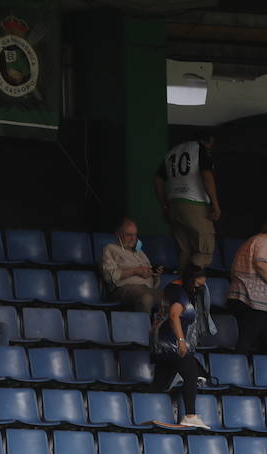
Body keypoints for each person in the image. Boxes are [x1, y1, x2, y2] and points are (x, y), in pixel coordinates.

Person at [154, 130, 221, 278]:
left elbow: (158, 181)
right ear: (208, 140)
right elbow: (207, 176)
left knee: (185, 252)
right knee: (204, 251)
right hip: (195, 204)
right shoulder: (200, 149)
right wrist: (215, 204)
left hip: (174, 205)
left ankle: (181, 294)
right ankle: (189, 285)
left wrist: (164, 205)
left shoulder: (171, 153)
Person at [150, 267, 210, 428]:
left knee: (160, 383)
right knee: (191, 375)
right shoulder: (179, 292)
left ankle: (149, 411)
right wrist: (181, 340)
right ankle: (190, 415)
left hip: (162, 342)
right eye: (197, 285)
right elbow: (174, 315)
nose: (198, 289)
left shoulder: (174, 288)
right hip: (172, 343)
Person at [100, 219, 162, 313]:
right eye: (129, 235)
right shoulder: (110, 248)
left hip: (147, 288)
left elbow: (154, 282)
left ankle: (160, 327)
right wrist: (134, 271)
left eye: (135, 235)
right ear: (118, 234)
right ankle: (143, 327)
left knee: (172, 299)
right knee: (146, 298)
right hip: (124, 288)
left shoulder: (139, 251)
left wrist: (154, 274)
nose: (133, 239)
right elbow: (108, 276)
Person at [227, 220, 267, 355]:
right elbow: (261, 265)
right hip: (254, 301)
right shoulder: (263, 241)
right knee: (246, 341)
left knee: (247, 338)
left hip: (239, 295)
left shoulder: (251, 241)